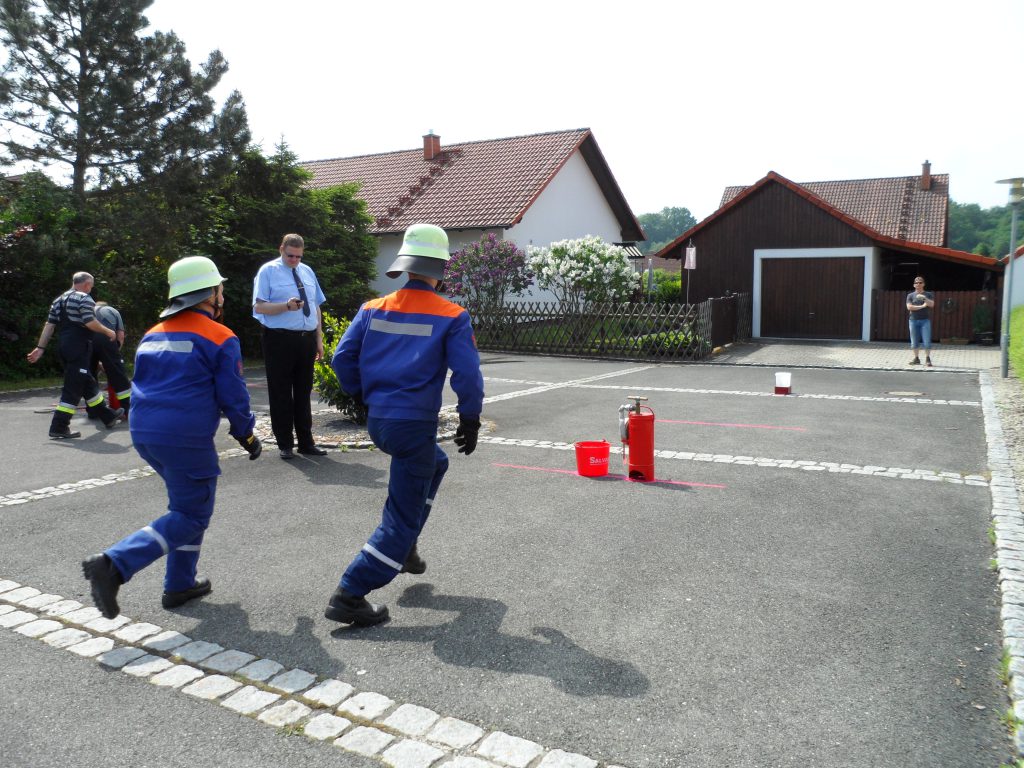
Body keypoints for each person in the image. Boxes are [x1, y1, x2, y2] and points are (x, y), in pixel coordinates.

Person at [81, 256, 262, 619]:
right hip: (184, 437)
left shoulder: (153, 334)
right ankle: (113, 564)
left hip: (145, 431)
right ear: (209, 293)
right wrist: (246, 434)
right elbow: (234, 396)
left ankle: (180, 584)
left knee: (186, 508)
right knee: (192, 515)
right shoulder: (220, 336)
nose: (223, 293)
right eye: (220, 287)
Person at [325, 223, 484, 627]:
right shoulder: (452, 315)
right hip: (414, 425)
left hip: (380, 420)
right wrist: (470, 417)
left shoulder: (373, 308)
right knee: (399, 514)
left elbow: (342, 360)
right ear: (440, 268)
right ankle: (350, 592)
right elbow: (466, 374)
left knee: (437, 463)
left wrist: (366, 394)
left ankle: (407, 546)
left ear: (405, 265)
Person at [252, 233, 328, 459]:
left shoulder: (307, 271)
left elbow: (316, 306)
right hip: (279, 339)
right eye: (290, 256)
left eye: (298, 256)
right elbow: (259, 307)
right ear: (281, 249)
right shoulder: (268, 271)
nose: (295, 260)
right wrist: (285, 306)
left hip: (305, 339)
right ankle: (285, 443)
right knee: (281, 393)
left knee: (304, 393)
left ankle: (306, 442)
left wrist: (318, 339)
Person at [26, 272, 123, 438]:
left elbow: (49, 326)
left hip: (64, 347)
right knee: (73, 388)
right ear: (86, 284)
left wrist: (40, 348)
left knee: (87, 382)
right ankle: (59, 426)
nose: (90, 290)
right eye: (91, 286)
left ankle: (107, 416)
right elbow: (90, 322)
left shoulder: (58, 301)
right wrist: (109, 331)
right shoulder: (83, 298)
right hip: (79, 346)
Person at [89, 301, 131, 418]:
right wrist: (113, 359)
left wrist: (98, 362)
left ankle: (94, 411)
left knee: (90, 377)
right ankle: (128, 409)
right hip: (106, 337)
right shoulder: (112, 310)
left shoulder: (87, 310)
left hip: (87, 340)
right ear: (105, 305)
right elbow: (120, 336)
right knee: (118, 375)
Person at [906, 276, 935, 367]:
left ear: (924, 284)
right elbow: (909, 307)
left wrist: (924, 298)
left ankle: (927, 358)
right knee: (914, 341)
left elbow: (932, 305)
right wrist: (922, 306)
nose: (918, 284)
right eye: (916, 283)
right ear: (914, 285)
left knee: (926, 341)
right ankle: (916, 358)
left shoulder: (928, 294)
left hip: (925, 321)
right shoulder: (910, 295)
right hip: (913, 320)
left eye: (920, 282)